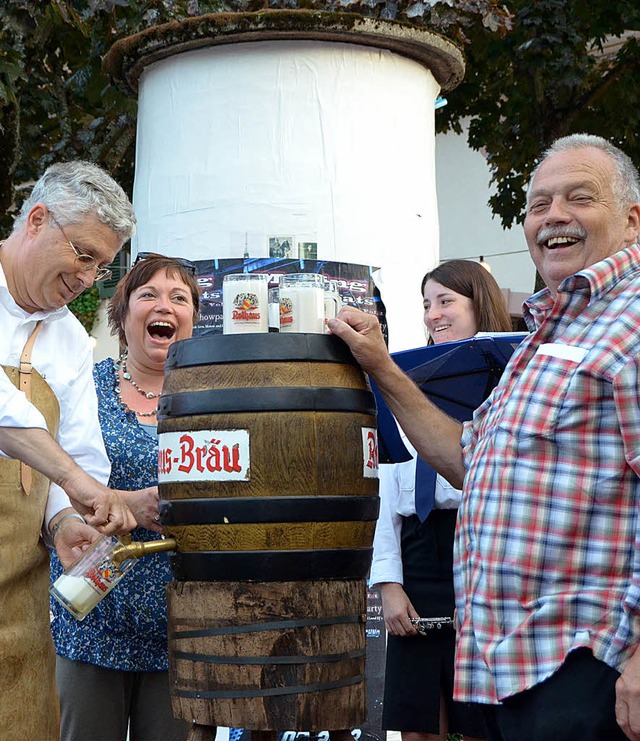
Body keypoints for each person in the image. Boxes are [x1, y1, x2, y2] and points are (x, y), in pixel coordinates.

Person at [329, 134, 640, 741]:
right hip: (515, 669)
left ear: (633, 220)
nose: (554, 216)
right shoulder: (548, 336)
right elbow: (469, 463)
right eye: (538, 204)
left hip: (592, 666)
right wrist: (383, 367)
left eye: (580, 197)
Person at [0, 160, 137, 740]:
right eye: (84, 254)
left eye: (103, 266)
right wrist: (79, 484)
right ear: (36, 220)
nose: (89, 277)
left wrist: (62, 518)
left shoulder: (70, 339)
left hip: (17, 590)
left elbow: (81, 452)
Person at [50, 253, 201, 740]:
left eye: (180, 298)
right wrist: (126, 502)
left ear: (193, 320)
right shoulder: (84, 388)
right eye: (149, 295)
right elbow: (54, 481)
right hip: (92, 611)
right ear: (122, 312)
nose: (166, 305)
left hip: (185, 623)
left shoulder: (212, 400)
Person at [371, 259, 512, 741]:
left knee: (477, 720)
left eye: (446, 301)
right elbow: (386, 494)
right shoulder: (403, 378)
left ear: (480, 304)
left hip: (478, 547)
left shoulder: (507, 381)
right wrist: (389, 584)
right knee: (416, 723)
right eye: (427, 304)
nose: (433, 314)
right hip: (417, 552)